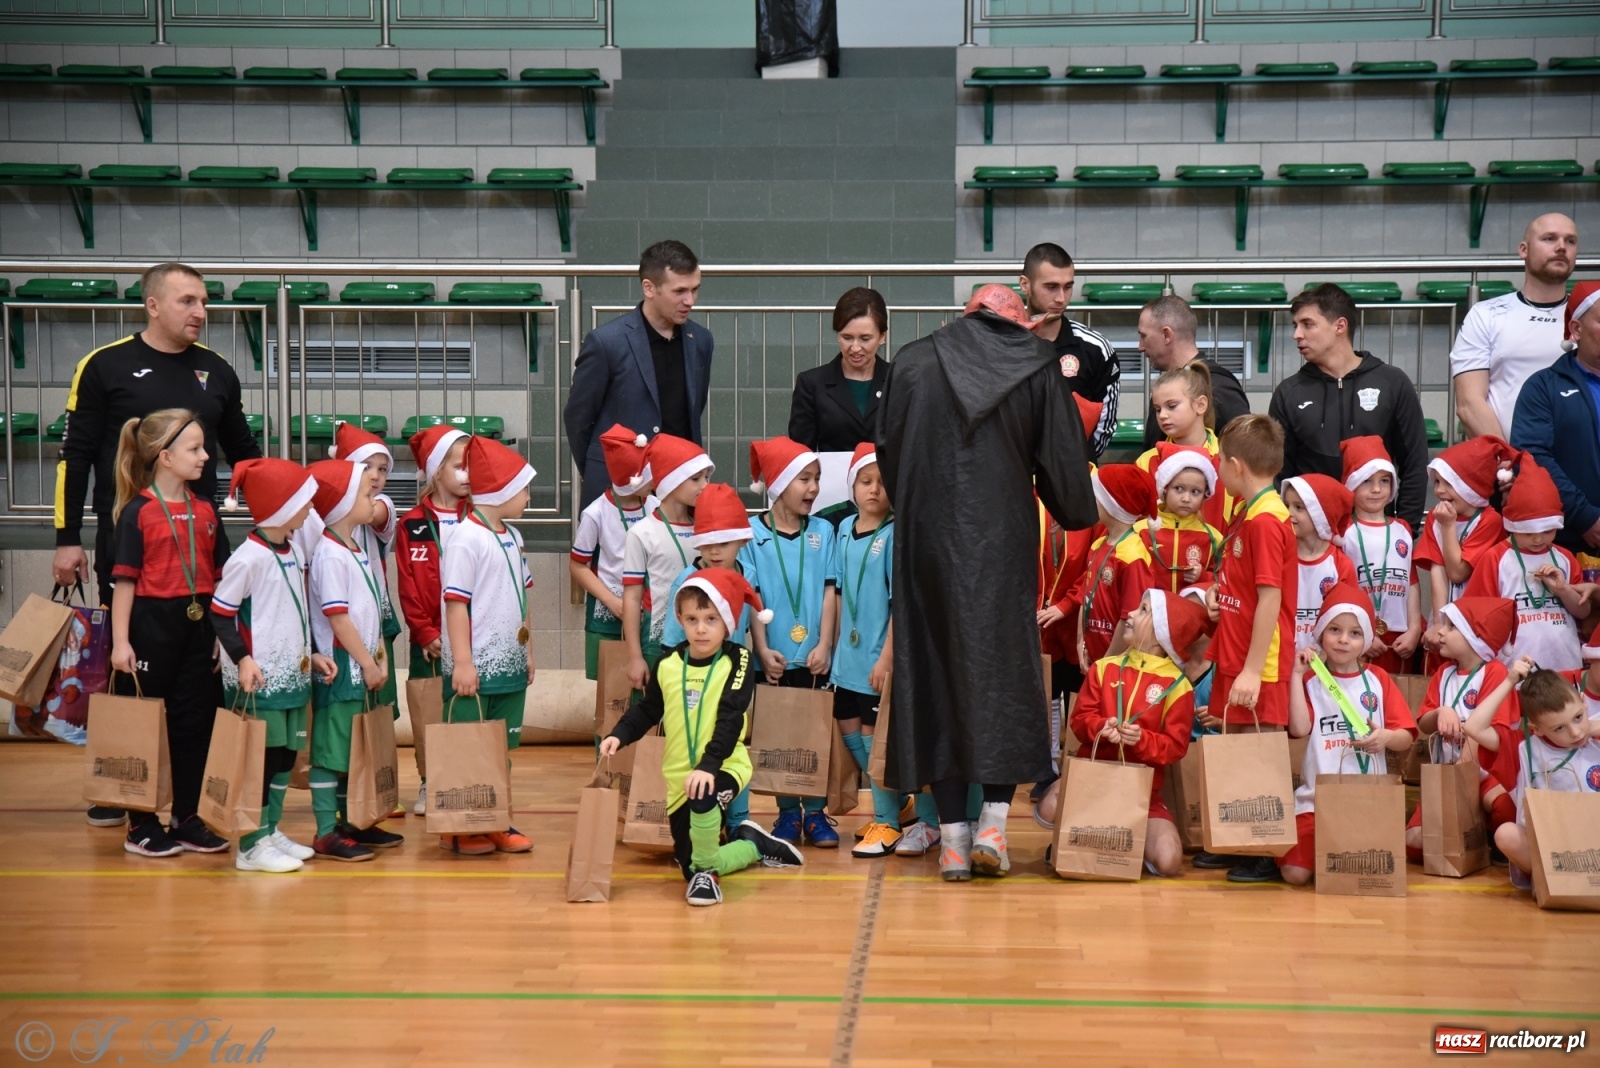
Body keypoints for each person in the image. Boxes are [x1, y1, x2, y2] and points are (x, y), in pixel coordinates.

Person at [875, 283, 1097, 883]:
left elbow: (887, 455)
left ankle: (951, 841)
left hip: (926, 543)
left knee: (935, 675)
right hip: (1000, 546)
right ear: (1016, 319)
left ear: (966, 313)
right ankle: (994, 827)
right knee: (1003, 676)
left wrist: (920, 507)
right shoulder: (1038, 366)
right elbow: (1066, 479)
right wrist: (1077, 511)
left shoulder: (914, 362)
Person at [52, 262, 261, 830]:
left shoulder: (216, 371)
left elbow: (246, 453)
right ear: (153, 305)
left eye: (204, 302)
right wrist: (66, 537)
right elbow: (75, 456)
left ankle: (192, 799)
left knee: (198, 675)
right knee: (131, 668)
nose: (200, 312)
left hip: (201, 545)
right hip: (129, 541)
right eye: (188, 301)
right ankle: (122, 783)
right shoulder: (103, 366)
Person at [599, 569, 805, 907]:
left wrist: (709, 767)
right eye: (692, 618)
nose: (701, 628)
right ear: (679, 618)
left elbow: (730, 718)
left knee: (704, 799)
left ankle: (707, 878)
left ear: (728, 621)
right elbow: (648, 711)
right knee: (687, 862)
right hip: (680, 777)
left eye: (711, 618)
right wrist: (618, 735)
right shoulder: (667, 663)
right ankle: (752, 846)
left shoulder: (737, 660)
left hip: (724, 765)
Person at [107, 408, 232, 859]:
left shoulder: (205, 511)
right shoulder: (138, 513)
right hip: (150, 627)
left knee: (194, 725)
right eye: (194, 449)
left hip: (198, 629)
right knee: (142, 727)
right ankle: (139, 823)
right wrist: (121, 643)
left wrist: (220, 633)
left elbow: (220, 581)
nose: (205, 457)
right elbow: (124, 583)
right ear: (165, 457)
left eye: (204, 447)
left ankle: (187, 817)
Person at [1040, 589, 1210, 879]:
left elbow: (1176, 747)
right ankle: (1106, 836)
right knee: (1047, 807)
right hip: (1093, 784)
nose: (1130, 614)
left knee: (1169, 860)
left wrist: (1142, 740)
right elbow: (1079, 722)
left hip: (1142, 795)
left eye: (1143, 611)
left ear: (1162, 633)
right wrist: (1100, 728)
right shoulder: (1103, 668)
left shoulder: (1178, 686)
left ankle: (1121, 837)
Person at [1196, 415, 1298, 881]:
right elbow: (1243, 582)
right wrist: (1220, 590)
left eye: (1219, 461)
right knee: (1234, 745)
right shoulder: (1247, 512)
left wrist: (1255, 670)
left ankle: (1264, 848)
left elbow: (1271, 597)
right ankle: (1238, 838)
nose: (1217, 469)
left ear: (1236, 465)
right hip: (1234, 651)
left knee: (1258, 750)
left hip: (1261, 660)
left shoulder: (1267, 521)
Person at [210, 458, 325, 874]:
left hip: (292, 676)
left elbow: (289, 613)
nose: (311, 508)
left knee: (284, 757)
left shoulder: (291, 548)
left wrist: (310, 653)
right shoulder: (247, 558)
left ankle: (269, 828)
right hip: (259, 679)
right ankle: (250, 844)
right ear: (281, 505)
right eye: (304, 501)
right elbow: (221, 613)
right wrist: (242, 659)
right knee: (261, 759)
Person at [1272, 584, 1418, 886]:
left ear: (1366, 639)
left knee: (1370, 867)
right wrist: (1296, 677)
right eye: (1335, 629)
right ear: (1321, 633)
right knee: (1296, 875)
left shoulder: (1378, 679)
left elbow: (1406, 736)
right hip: (1316, 802)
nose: (1343, 640)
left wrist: (1387, 738)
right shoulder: (1311, 679)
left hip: (1368, 801)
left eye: (1355, 633)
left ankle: (1334, 852)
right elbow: (1298, 729)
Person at [439, 437, 539, 856]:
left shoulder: (512, 536)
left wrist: (528, 651)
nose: (530, 497)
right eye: (524, 488)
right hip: (475, 669)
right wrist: (462, 661)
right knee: (469, 746)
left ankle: (493, 818)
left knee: (500, 748)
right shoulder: (466, 538)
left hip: (509, 667)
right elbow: (455, 603)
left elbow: (522, 596)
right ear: (500, 490)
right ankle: (461, 826)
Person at [741, 436, 841, 849]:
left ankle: (816, 814)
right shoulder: (750, 534)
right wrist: (762, 650)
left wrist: (826, 646)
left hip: (814, 657)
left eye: (817, 478)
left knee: (816, 733)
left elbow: (829, 593)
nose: (814, 488)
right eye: (805, 479)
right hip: (774, 657)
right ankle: (787, 814)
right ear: (779, 483)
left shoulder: (823, 531)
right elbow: (752, 597)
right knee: (779, 734)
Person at [1268, 283, 1430, 533]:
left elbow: (1414, 463)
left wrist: (1405, 530)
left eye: (1307, 324)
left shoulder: (1392, 383)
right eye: (1295, 326)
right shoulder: (1289, 392)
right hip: (1311, 539)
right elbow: (1278, 473)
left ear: (1340, 326)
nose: (1297, 334)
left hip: (1378, 534)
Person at [565, 240, 713, 510]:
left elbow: (694, 409)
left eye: (694, 289)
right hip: (619, 488)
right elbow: (578, 418)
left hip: (678, 487)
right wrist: (605, 469)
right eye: (679, 291)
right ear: (649, 288)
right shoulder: (606, 342)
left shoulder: (701, 340)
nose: (689, 300)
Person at [305, 459, 394, 863]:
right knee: (332, 752)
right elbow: (339, 619)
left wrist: (380, 657)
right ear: (340, 505)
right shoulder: (330, 553)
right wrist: (369, 663)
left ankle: (351, 821)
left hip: (362, 666)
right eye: (362, 493)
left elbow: (367, 609)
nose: (372, 495)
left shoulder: (354, 545)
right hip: (342, 670)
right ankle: (326, 831)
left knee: (353, 752)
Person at [657, 481, 757, 834]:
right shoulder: (689, 580)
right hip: (694, 682)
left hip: (731, 675)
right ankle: (707, 827)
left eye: (724, 543)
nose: (715, 551)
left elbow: (751, 621)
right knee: (702, 745)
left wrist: (762, 653)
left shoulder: (747, 573)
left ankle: (739, 819)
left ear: (742, 541)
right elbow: (672, 641)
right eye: (707, 543)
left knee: (734, 742)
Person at [1404, 596, 1521, 864]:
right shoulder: (1444, 673)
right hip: (1447, 774)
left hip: (1483, 773)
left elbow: (1492, 735)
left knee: (1505, 807)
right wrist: (1441, 712)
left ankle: (1484, 835)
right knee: (1413, 843)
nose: (1441, 632)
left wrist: (1464, 781)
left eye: (1452, 627)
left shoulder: (1494, 671)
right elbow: (1423, 723)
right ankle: (1471, 833)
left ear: (1475, 637)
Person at [1462, 661, 1596, 890]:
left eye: (1577, 717)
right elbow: (1474, 728)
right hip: (1551, 849)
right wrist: (1509, 680)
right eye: (1559, 728)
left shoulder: (1593, 734)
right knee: (1506, 835)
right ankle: (1555, 883)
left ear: (1583, 702)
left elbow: (1583, 729)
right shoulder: (1523, 748)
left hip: (1594, 840)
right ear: (1537, 728)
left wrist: (1592, 728)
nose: (1575, 733)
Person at [394, 424, 471, 815]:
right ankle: (430, 782)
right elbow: (407, 585)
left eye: (470, 465)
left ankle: (467, 779)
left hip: (470, 639)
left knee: (466, 713)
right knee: (429, 716)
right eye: (459, 466)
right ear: (436, 470)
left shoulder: (478, 517)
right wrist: (424, 632)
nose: (467, 474)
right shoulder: (411, 524)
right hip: (429, 641)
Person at [827, 445, 899, 858]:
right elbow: (837, 593)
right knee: (847, 729)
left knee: (876, 742)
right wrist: (833, 646)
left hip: (876, 657)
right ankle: (895, 803)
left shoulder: (893, 533)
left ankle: (887, 821)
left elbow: (897, 603)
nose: (874, 490)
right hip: (846, 659)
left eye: (882, 482)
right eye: (865, 481)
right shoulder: (842, 530)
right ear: (852, 486)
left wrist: (886, 657)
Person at [1453, 213, 1578, 442]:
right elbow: (1469, 404)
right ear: (1524, 249)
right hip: (1506, 468)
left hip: (1579, 466)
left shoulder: (1588, 319)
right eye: (1549, 238)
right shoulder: (1486, 314)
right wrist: (1510, 463)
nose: (1561, 247)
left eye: (1570, 241)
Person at [1461, 457, 1590, 671]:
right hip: (1514, 670)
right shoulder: (1495, 558)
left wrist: (1563, 590)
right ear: (1512, 526)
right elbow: (1476, 616)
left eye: (1547, 532)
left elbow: (1583, 611)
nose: (1538, 539)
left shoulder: (1565, 558)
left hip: (1565, 667)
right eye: (1528, 532)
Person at [1512, 280, 1600, 553]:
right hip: (1566, 545)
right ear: (1576, 329)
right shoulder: (1543, 387)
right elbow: (1533, 456)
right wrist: (1585, 517)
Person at [621, 434, 713, 688]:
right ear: (670, 481)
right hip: (656, 640)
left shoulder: (707, 528)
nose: (705, 485)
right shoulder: (642, 532)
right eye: (696, 478)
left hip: (706, 638)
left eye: (707, 477)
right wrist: (635, 657)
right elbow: (632, 597)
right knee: (657, 719)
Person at [569, 424, 657, 681]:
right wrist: (613, 602)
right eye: (648, 476)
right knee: (613, 690)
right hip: (610, 610)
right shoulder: (595, 513)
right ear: (634, 480)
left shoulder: (656, 505)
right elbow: (577, 565)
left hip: (650, 610)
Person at [1018, 243, 1121, 459]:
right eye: (1051, 287)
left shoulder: (1095, 348)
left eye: (1068, 287)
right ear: (1025, 285)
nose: (1061, 298)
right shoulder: (1002, 342)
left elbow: (1105, 425)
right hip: (1012, 477)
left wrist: (1075, 467)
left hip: (1073, 479)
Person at [1340, 437, 1421, 674]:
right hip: (1358, 635)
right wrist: (1360, 631)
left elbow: (1411, 582)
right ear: (1351, 486)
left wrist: (1415, 628)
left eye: (1384, 481)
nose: (1376, 489)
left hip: (1400, 638)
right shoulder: (1344, 531)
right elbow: (1340, 589)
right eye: (1366, 481)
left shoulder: (1402, 528)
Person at [1136, 295, 1250, 452]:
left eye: (1144, 336)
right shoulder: (1167, 387)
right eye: (1159, 409)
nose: (1140, 347)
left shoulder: (1218, 386)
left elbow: (1246, 456)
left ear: (1166, 335)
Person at [788, 288, 890, 454]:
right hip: (831, 479)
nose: (855, 348)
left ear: (882, 336)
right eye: (847, 337)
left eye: (865, 339)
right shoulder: (812, 384)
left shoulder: (898, 380)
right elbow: (801, 454)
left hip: (885, 480)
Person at [1137, 362, 1236, 532]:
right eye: (1157, 409)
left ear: (1200, 405)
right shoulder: (1146, 462)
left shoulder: (1228, 460)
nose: (1162, 415)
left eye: (1172, 406)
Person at [1077, 465, 1158, 670]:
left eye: (1094, 496)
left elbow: (1129, 618)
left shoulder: (1133, 557)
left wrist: (1106, 663)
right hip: (1095, 659)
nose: (1088, 502)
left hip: (1115, 666)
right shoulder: (1098, 545)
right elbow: (1085, 598)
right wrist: (1081, 643)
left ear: (1113, 505)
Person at [1280, 473, 1357, 651]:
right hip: (1281, 659)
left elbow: (1349, 618)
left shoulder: (1341, 565)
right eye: (1287, 505)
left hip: (1324, 662)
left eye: (1299, 507)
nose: (1289, 513)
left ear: (1320, 515)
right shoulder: (1280, 556)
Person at [1137, 443, 1223, 595]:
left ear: (1205, 495)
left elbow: (1224, 578)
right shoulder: (1141, 532)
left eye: (1195, 492)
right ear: (1165, 489)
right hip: (1149, 614)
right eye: (1178, 489)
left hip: (1192, 615)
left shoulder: (1213, 538)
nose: (1186, 498)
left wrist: (1203, 576)